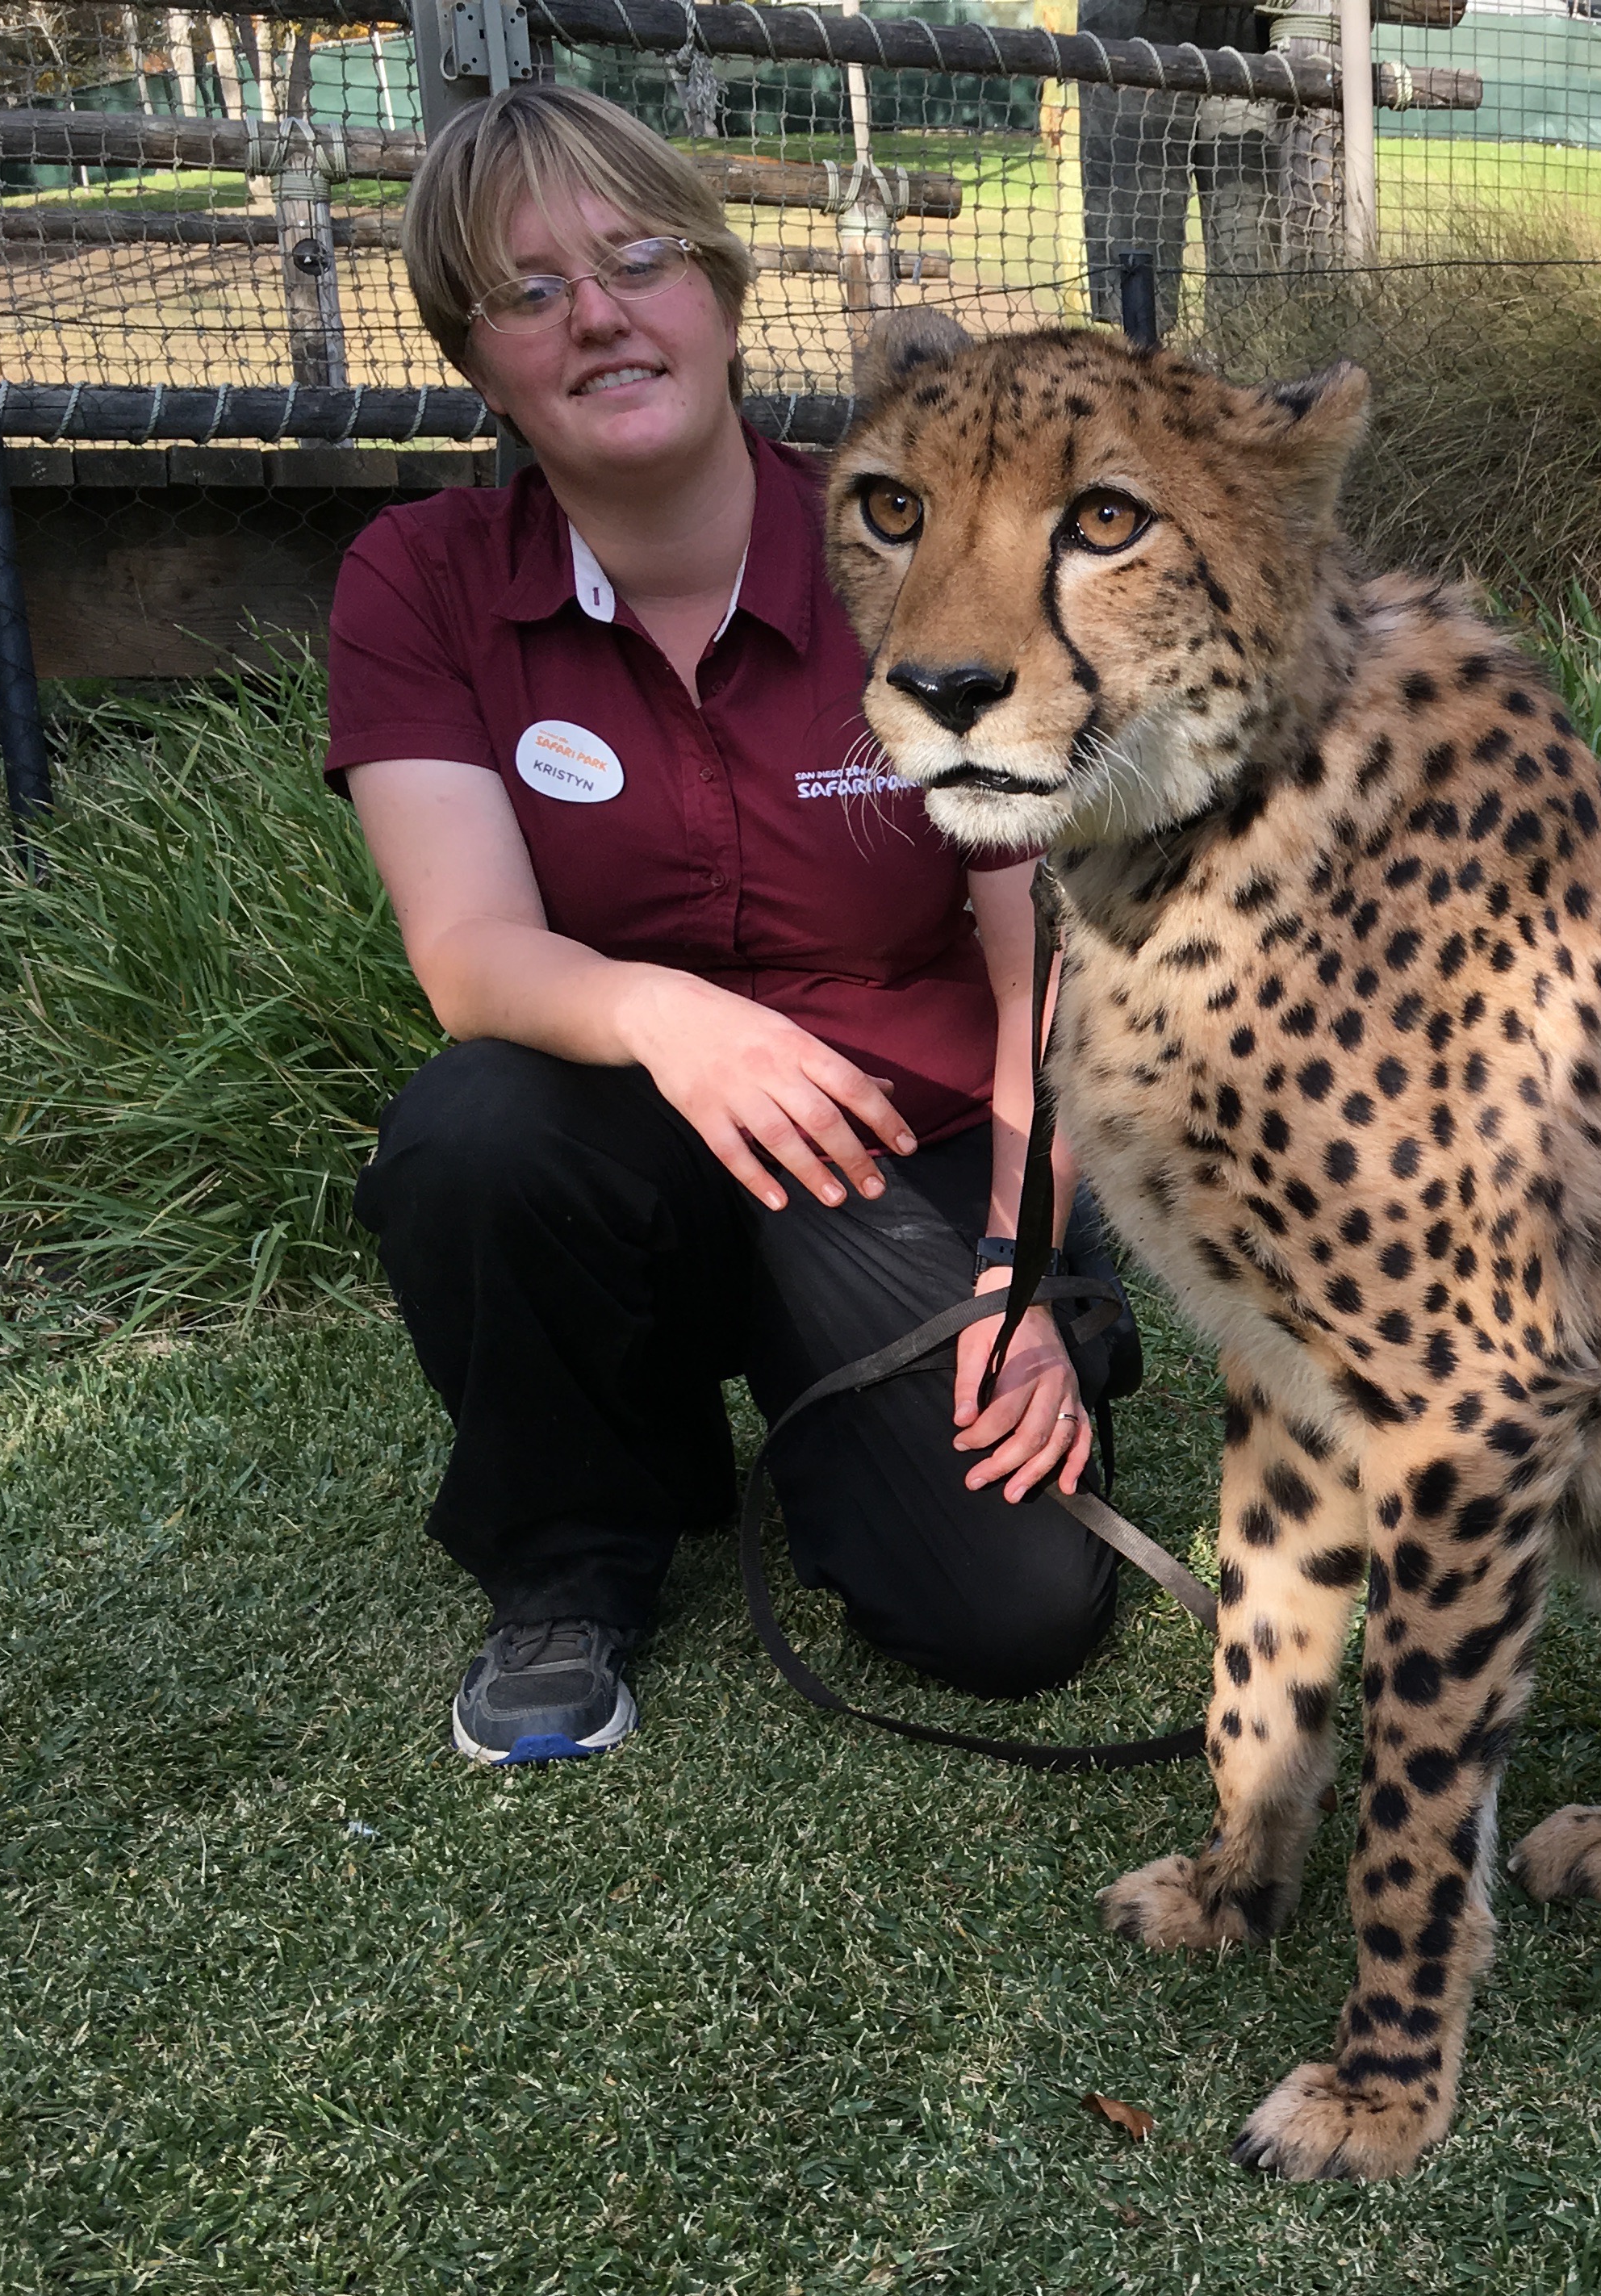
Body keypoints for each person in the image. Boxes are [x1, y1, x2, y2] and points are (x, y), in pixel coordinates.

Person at [327, 84, 1136, 1767]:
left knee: (1020, 1612)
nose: (599, 314)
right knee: (469, 1128)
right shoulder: (421, 582)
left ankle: (874, 1381)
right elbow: (469, 951)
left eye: (638, 257)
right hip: (618, 1143)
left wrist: (1019, 1270)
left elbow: (1041, 969)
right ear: (474, 361)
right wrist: (672, 1019)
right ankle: (567, 1561)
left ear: (720, 290)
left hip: (909, 1147)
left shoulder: (917, 551)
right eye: (529, 288)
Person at [1076, 0, 1283, 332]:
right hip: (1135, 22)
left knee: (1249, 243)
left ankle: (1247, 367)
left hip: (1249, 21)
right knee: (1136, 245)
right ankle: (1142, 370)